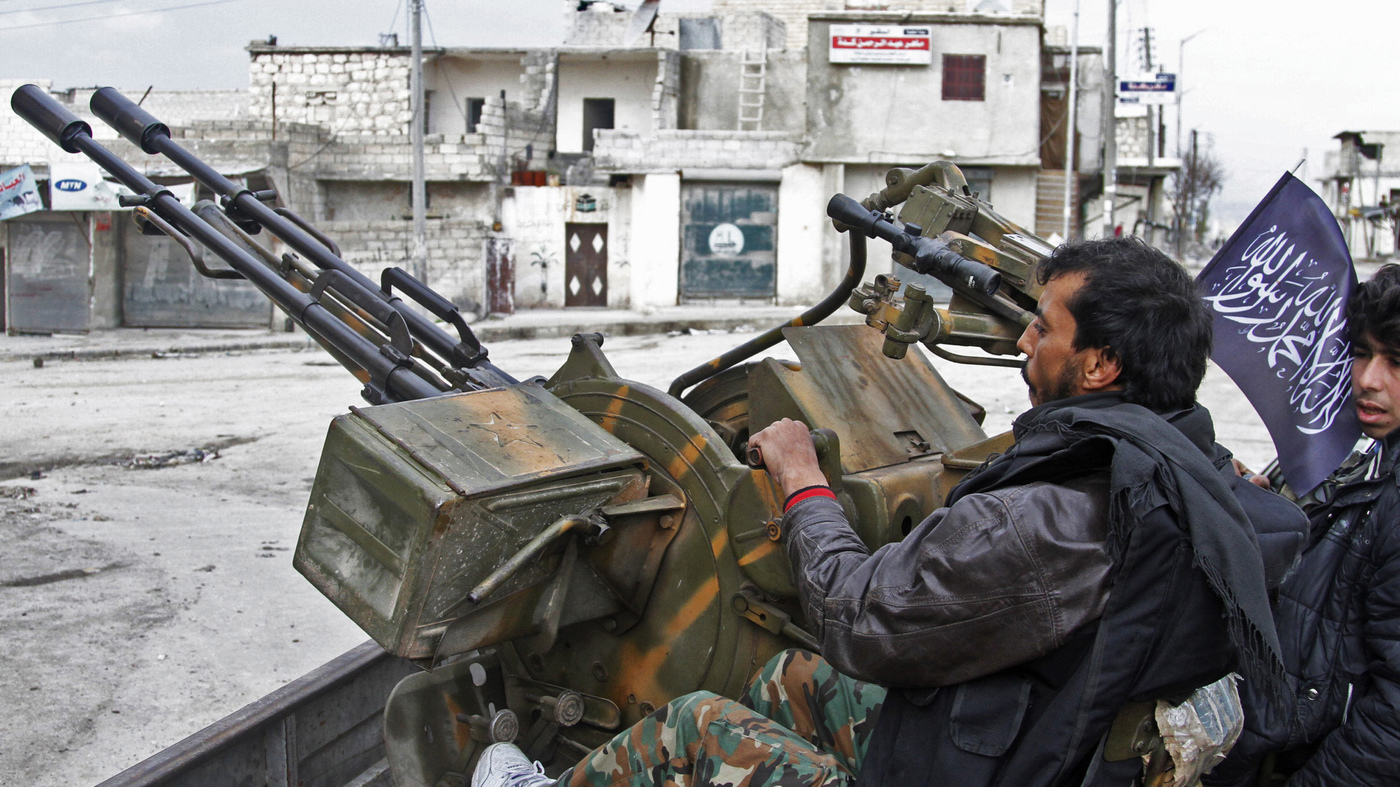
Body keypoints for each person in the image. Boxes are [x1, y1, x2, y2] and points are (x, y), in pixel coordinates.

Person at [472, 238, 1299, 787]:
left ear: (1100, 363)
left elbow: (854, 614)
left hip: (1005, 764)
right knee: (791, 679)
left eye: (1041, 331)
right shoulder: (1203, 479)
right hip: (1055, 742)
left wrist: (802, 481)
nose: (1021, 345)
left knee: (693, 725)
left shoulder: (1053, 516)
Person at [1206, 264, 1400, 786]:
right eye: (1361, 352)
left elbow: (1393, 724)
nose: (1367, 379)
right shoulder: (1350, 449)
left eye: (1396, 362)